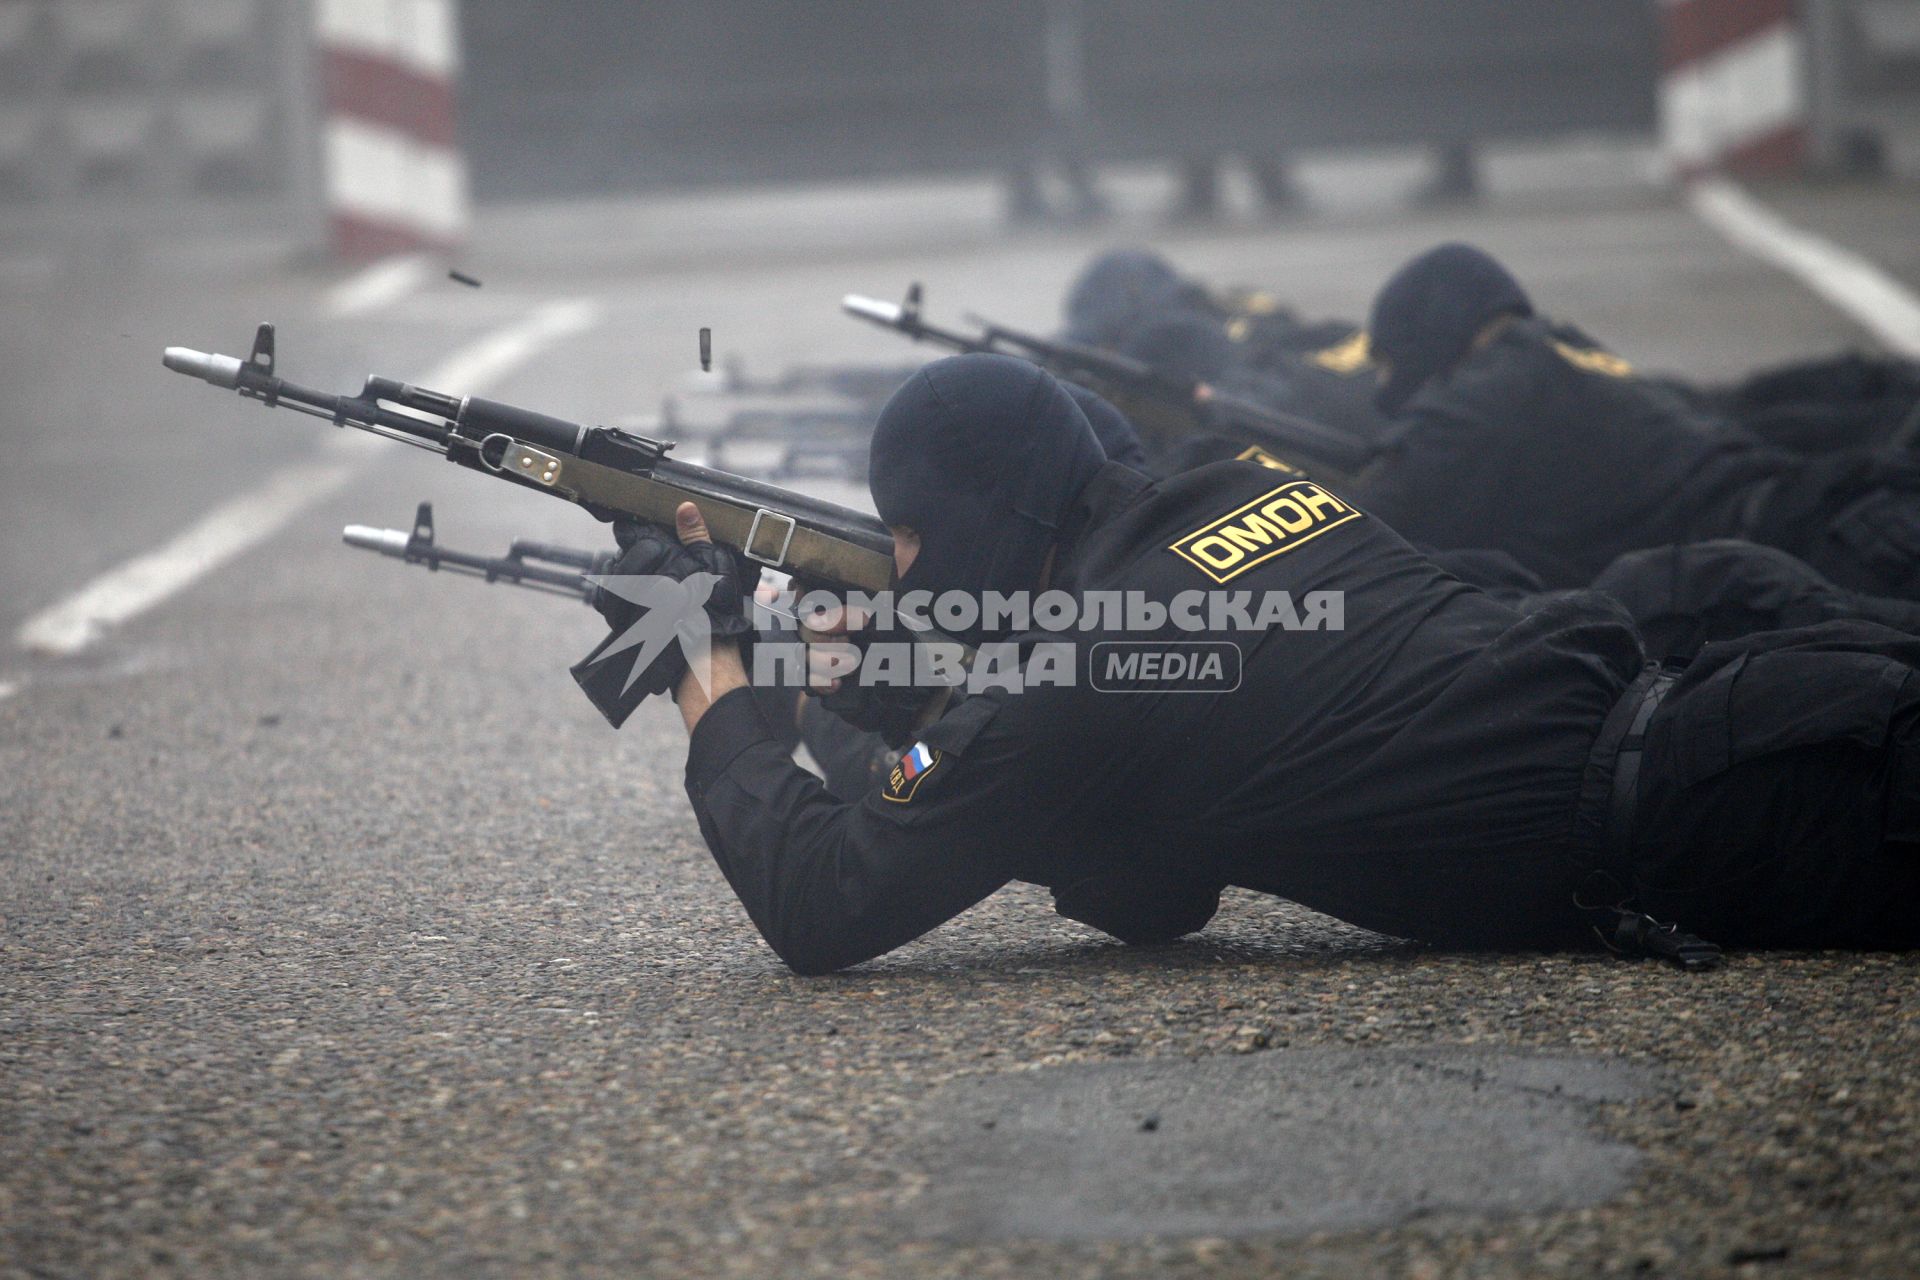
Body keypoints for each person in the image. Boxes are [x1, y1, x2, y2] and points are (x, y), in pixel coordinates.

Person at [583, 353, 1919, 975]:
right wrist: (873, 708)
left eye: (919, 539)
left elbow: (826, 899)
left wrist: (731, 692)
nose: (912, 570)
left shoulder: (1078, 668)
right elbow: (1154, 882)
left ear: (992, 524)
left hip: (1747, 795)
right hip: (1753, 713)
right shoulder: (1239, 495)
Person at [1359, 243, 1920, 598]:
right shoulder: (1567, 352)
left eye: (1389, 365)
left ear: (1427, 338)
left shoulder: (1483, 395)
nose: (1390, 389)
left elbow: (1359, 541)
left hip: (1827, 560)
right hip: (1842, 515)